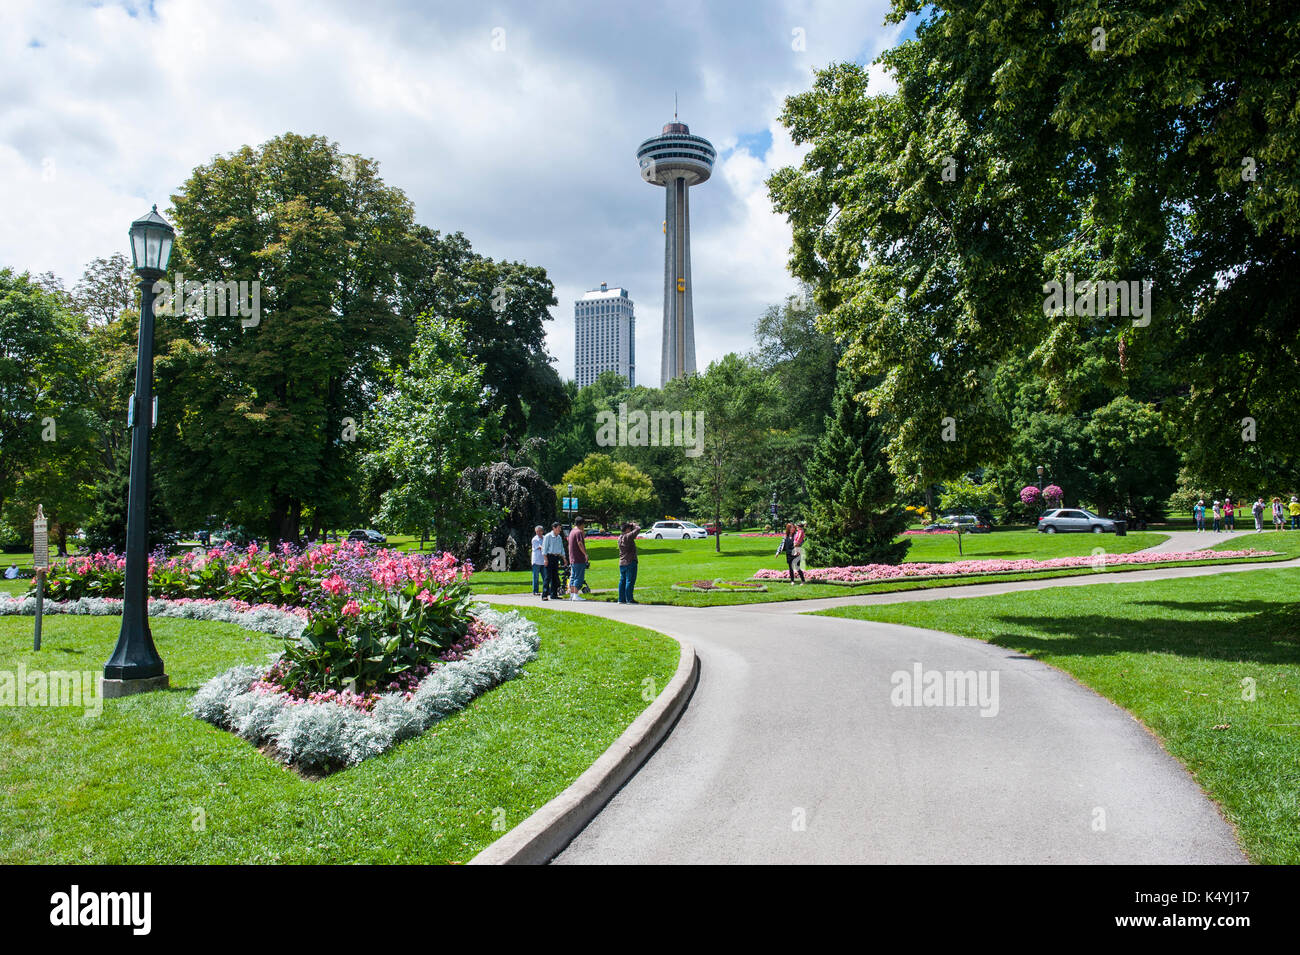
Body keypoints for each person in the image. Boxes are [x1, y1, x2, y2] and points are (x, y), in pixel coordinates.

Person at [542, 521, 565, 600]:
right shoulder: (548, 536)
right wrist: (545, 559)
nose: (560, 530)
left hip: (556, 557)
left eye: (560, 528)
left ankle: (554, 594)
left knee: (555, 577)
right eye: (558, 528)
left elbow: (561, 549)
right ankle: (544, 595)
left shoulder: (559, 537)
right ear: (554, 528)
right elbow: (544, 549)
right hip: (549, 557)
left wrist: (564, 558)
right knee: (547, 577)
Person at [567, 517, 589, 600]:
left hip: (572, 558)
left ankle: (572, 594)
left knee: (573, 576)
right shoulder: (578, 532)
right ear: (582, 524)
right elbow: (580, 543)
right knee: (578, 576)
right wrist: (585, 554)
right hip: (578, 558)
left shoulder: (572, 531)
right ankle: (576, 594)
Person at [618, 521, 639, 604]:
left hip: (622, 562)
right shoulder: (628, 537)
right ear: (627, 529)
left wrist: (630, 526)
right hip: (630, 562)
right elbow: (638, 529)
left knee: (622, 581)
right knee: (630, 581)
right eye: (629, 529)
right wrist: (634, 525)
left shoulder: (620, 537)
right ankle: (629, 599)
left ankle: (621, 599)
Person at [530, 525, 545, 596]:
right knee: (535, 577)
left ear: (542, 531)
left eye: (540, 531)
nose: (538, 532)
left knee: (545, 576)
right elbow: (540, 547)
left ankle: (546, 590)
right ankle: (535, 591)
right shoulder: (535, 539)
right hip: (536, 560)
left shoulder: (545, 538)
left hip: (543, 560)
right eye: (537, 531)